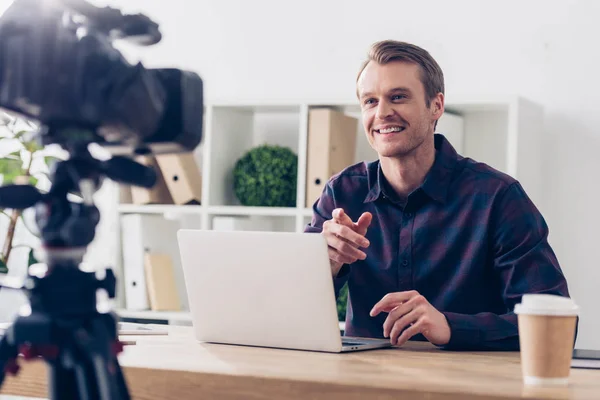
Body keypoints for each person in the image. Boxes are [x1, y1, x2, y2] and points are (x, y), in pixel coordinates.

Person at [304, 40, 573, 351]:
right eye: (370, 101)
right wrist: (326, 262)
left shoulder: (498, 197)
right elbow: (292, 305)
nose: (383, 113)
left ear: (436, 105)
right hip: (362, 384)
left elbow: (555, 325)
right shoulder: (342, 193)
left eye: (398, 97)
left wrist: (449, 326)